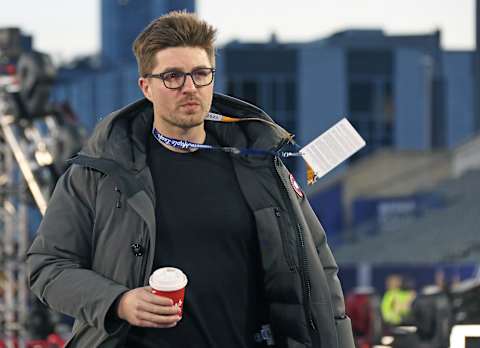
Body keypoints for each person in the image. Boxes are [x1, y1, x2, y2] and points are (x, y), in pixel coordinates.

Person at [26, 11, 355, 348]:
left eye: (201, 74)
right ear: (146, 86)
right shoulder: (97, 172)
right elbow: (47, 267)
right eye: (173, 76)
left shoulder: (262, 165)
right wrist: (118, 302)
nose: (189, 88)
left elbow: (319, 267)